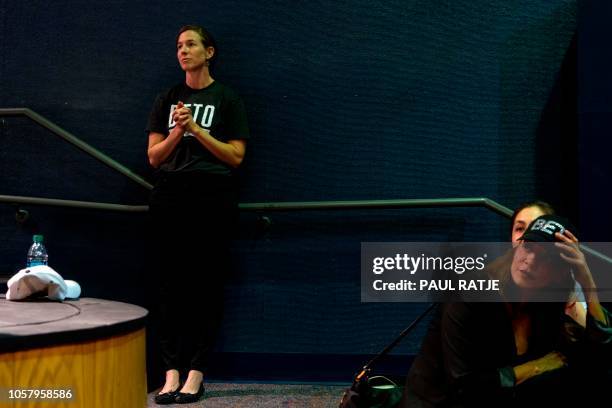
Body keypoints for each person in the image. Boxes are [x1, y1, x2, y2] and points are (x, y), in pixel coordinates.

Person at [401, 214, 611, 407]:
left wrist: (586, 281)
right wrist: (536, 367)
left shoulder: (548, 303)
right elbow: (464, 386)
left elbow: (596, 356)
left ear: (560, 272)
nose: (530, 261)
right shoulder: (471, 291)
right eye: (528, 247)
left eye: (546, 257)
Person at [146, 25, 249, 404]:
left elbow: (236, 156)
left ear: (209, 52)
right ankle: (170, 372)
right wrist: (177, 131)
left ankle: (195, 373)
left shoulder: (227, 99)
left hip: (212, 199)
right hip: (170, 197)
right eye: (178, 46)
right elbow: (154, 157)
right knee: (169, 287)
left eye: (191, 44)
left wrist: (197, 129)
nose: (183, 51)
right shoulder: (167, 98)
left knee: (206, 288)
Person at [510, 201, 586, 325]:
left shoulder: (565, 280)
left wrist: (586, 278)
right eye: (520, 228)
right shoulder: (490, 278)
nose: (527, 236)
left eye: (537, 228)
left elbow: (592, 336)